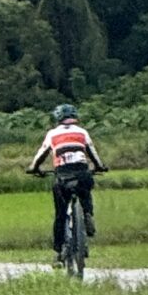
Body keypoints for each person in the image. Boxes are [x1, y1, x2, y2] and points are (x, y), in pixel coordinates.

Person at [27, 105, 104, 264]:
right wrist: (99, 167)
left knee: (61, 214)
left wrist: (34, 168)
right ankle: (88, 213)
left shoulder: (52, 134)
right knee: (85, 191)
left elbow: (41, 154)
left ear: (57, 118)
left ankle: (58, 252)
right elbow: (92, 153)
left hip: (63, 176)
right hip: (82, 173)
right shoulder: (82, 132)